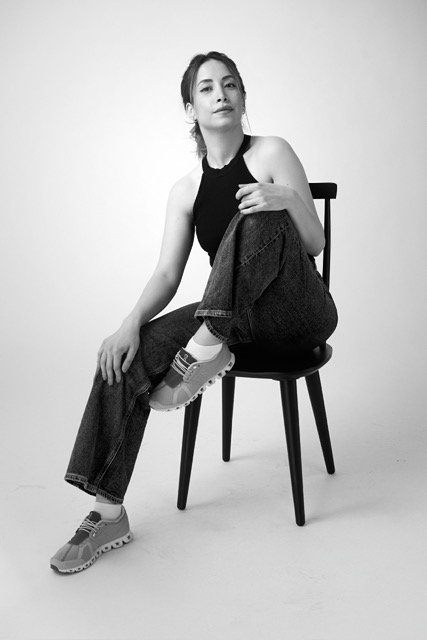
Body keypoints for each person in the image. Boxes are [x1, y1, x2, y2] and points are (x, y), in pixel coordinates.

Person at [50, 51, 338, 574]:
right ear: (191, 108)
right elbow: (167, 275)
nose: (220, 94)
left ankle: (204, 348)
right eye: (206, 88)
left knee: (258, 211)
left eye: (230, 85)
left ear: (243, 97)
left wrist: (285, 198)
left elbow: (314, 243)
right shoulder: (185, 190)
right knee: (126, 354)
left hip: (298, 312)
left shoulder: (272, 151)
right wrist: (128, 325)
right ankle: (108, 513)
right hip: (234, 319)